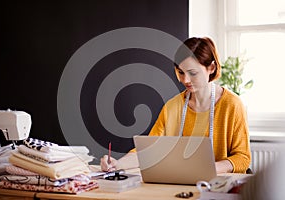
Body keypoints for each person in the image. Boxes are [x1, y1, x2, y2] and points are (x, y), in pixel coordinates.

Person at [100, 37, 251, 174]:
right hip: (182, 182)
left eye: (193, 73)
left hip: (218, 186)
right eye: (180, 72)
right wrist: (117, 164)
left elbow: (243, 158)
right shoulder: (172, 107)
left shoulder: (232, 105)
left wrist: (209, 168)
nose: (185, 80)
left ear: (211, 68)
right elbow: (149, 151)